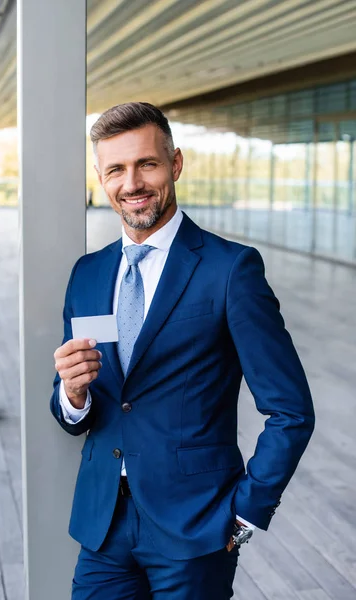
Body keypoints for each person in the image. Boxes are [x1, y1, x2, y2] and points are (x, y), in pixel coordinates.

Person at [50, 102, 315, 600]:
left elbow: (291, 410)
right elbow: (77, 413)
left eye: (146, 164)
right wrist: (72, 394)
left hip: (197, 528)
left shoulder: (231, 270)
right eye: (115, 169)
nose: (132, 183)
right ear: (101, 178)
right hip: (103, 525)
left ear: (175, 164)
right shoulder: (86, 275)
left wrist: (246, 515)